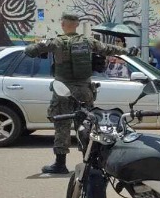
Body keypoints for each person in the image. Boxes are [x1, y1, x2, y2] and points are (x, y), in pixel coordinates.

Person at [23, 14, 128, 174]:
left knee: (62, 126)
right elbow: (108, 49)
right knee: (86, 126)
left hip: (63, 91)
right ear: (77, 25)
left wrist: (42, 44)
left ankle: (60, 164)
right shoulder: (88, 41)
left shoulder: (56, 42)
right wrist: (127, 50)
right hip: (85, 90)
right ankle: (91, 164)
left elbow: (29, 51)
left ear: (63, 24)